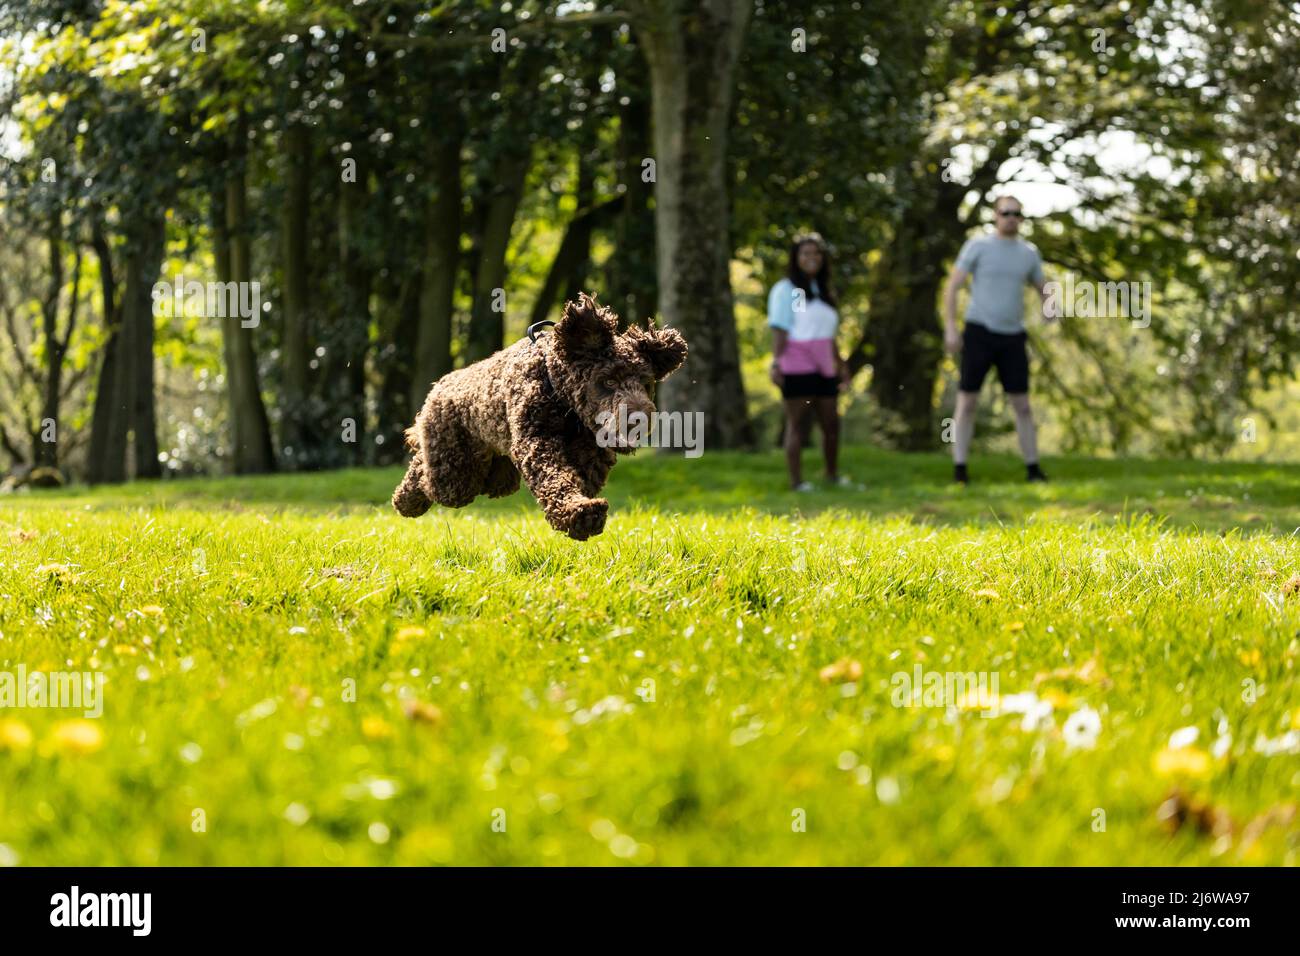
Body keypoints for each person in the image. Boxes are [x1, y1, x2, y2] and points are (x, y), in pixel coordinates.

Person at [943, 195, 1056, 485]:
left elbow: (1043, 287)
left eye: (1017, 214)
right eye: (1006, 212)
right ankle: (960, 470)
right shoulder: (977, 246)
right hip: (979, 331)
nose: (1011, 218)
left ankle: (1033, 469)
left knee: (1023, 405)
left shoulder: (1029, 253)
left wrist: (1050, 308)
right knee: (967, 401)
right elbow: (953, 286)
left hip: (1012, 336)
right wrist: (951, 329)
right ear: (995, 215)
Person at [768, 233, 851, 491]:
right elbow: (782, 329)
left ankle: (832, 474)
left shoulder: (825, 290)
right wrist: (776, 362)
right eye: (805, 253)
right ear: (796, 258)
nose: (811, 258)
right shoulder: (789, 291)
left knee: (831, 422)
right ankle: (797, 482)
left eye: (816, 253)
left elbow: (827, 333)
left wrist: (841, 363)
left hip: (824, 362)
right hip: (797, 362)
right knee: (797, 424)